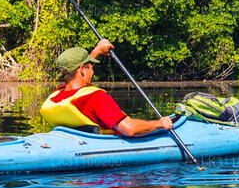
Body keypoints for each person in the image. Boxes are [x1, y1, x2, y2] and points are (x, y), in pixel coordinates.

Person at [39, 40, 174, 136]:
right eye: (91, 67)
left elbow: (78, 74)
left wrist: (97, 50)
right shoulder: (96, 98)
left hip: (74, 144)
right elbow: (130, 129)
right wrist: (159, 123)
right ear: (82, 69)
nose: (93, 71)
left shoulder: (58, 95)